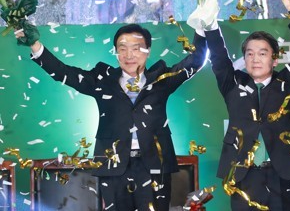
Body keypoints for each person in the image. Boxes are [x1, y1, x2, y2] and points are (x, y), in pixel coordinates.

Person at [14, 23, 208, 210]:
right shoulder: (102, 80)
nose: (129, 55)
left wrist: (202, 26)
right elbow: (64, 72)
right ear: (116, 52)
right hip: (112, 165)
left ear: (148, 50)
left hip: (155, 165)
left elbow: (196, 61)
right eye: (122, 48)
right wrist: (35, 45)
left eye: (136, 48)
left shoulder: (162, 78)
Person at [191, 0, 290, 210]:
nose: (255, 59)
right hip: (242, 175)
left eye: (263, 53)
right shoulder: (232, 83)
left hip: (281, 172)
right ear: (244, 59)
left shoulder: (287, 83)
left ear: (275, 60)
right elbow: (218, 54)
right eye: (250, 54)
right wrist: (209, 18)